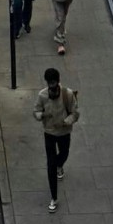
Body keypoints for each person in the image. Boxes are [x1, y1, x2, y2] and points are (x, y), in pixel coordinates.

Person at [34, 66, 80, 212]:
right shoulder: (42, 95)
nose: (52, 89)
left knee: (64, 153)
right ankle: (54, 197)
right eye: (49, 85)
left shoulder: (68, 94)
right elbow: (36, 110)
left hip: (64, 132)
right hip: (49, 132)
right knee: (50, 164)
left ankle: (60, 165)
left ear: (58, 82)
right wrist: (40, 116)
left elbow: (75, 113)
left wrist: (67, 121)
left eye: (54, 85)